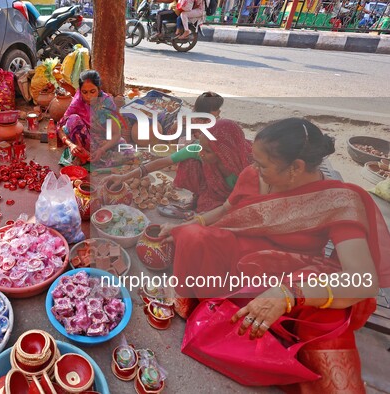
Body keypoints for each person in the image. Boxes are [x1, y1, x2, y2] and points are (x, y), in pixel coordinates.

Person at [159, 118, 390, 392]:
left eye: (262, 165)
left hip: (291, 273)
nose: (255, 169)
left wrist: (289, 293)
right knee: (193, 236)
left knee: (327, 318)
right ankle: (205, 307)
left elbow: (363, 281)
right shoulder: (251, 176)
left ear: (296, 167)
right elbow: (223, 213)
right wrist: (183, 226)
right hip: (243, 257)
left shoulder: (336, 201)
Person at [106, 92, 251, 214]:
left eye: (207, 151)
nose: (201, 152)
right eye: (201, 146)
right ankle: (198, 197)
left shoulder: (247, 168)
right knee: (190, 163)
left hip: (237, 199)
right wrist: (124, 176)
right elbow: (163, 162)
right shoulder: (198, 147)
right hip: (215, 191)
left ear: (224, 154)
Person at [57, 70, 125, 167]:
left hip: (102, 141)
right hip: (84, 140)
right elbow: (59, 127)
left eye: (92, 92)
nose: (89, 96)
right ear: (80, 90)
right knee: (73, 119)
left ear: (99, 88)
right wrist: (71, 145)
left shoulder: (107, 102)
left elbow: (117, 134)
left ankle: (89, 156)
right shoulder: (78, 100)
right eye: (85, 92)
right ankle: (83, 153)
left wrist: (102, 150)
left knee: (126, 151)